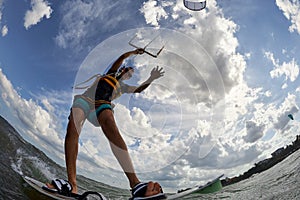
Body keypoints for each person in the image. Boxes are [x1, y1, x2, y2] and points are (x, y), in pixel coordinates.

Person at [48, 48, 165, 199]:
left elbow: (138, 90)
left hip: (101, 105)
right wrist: (134, 52)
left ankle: (135, 185)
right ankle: (72, 184)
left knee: (109, 122)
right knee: (74, 126)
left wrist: (151, 78)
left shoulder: (122, 87)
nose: (128, 74)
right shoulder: (110, 74)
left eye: (130, 75)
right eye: (127, 71)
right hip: (85, 100)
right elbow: (122, 56)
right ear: (122, 70)